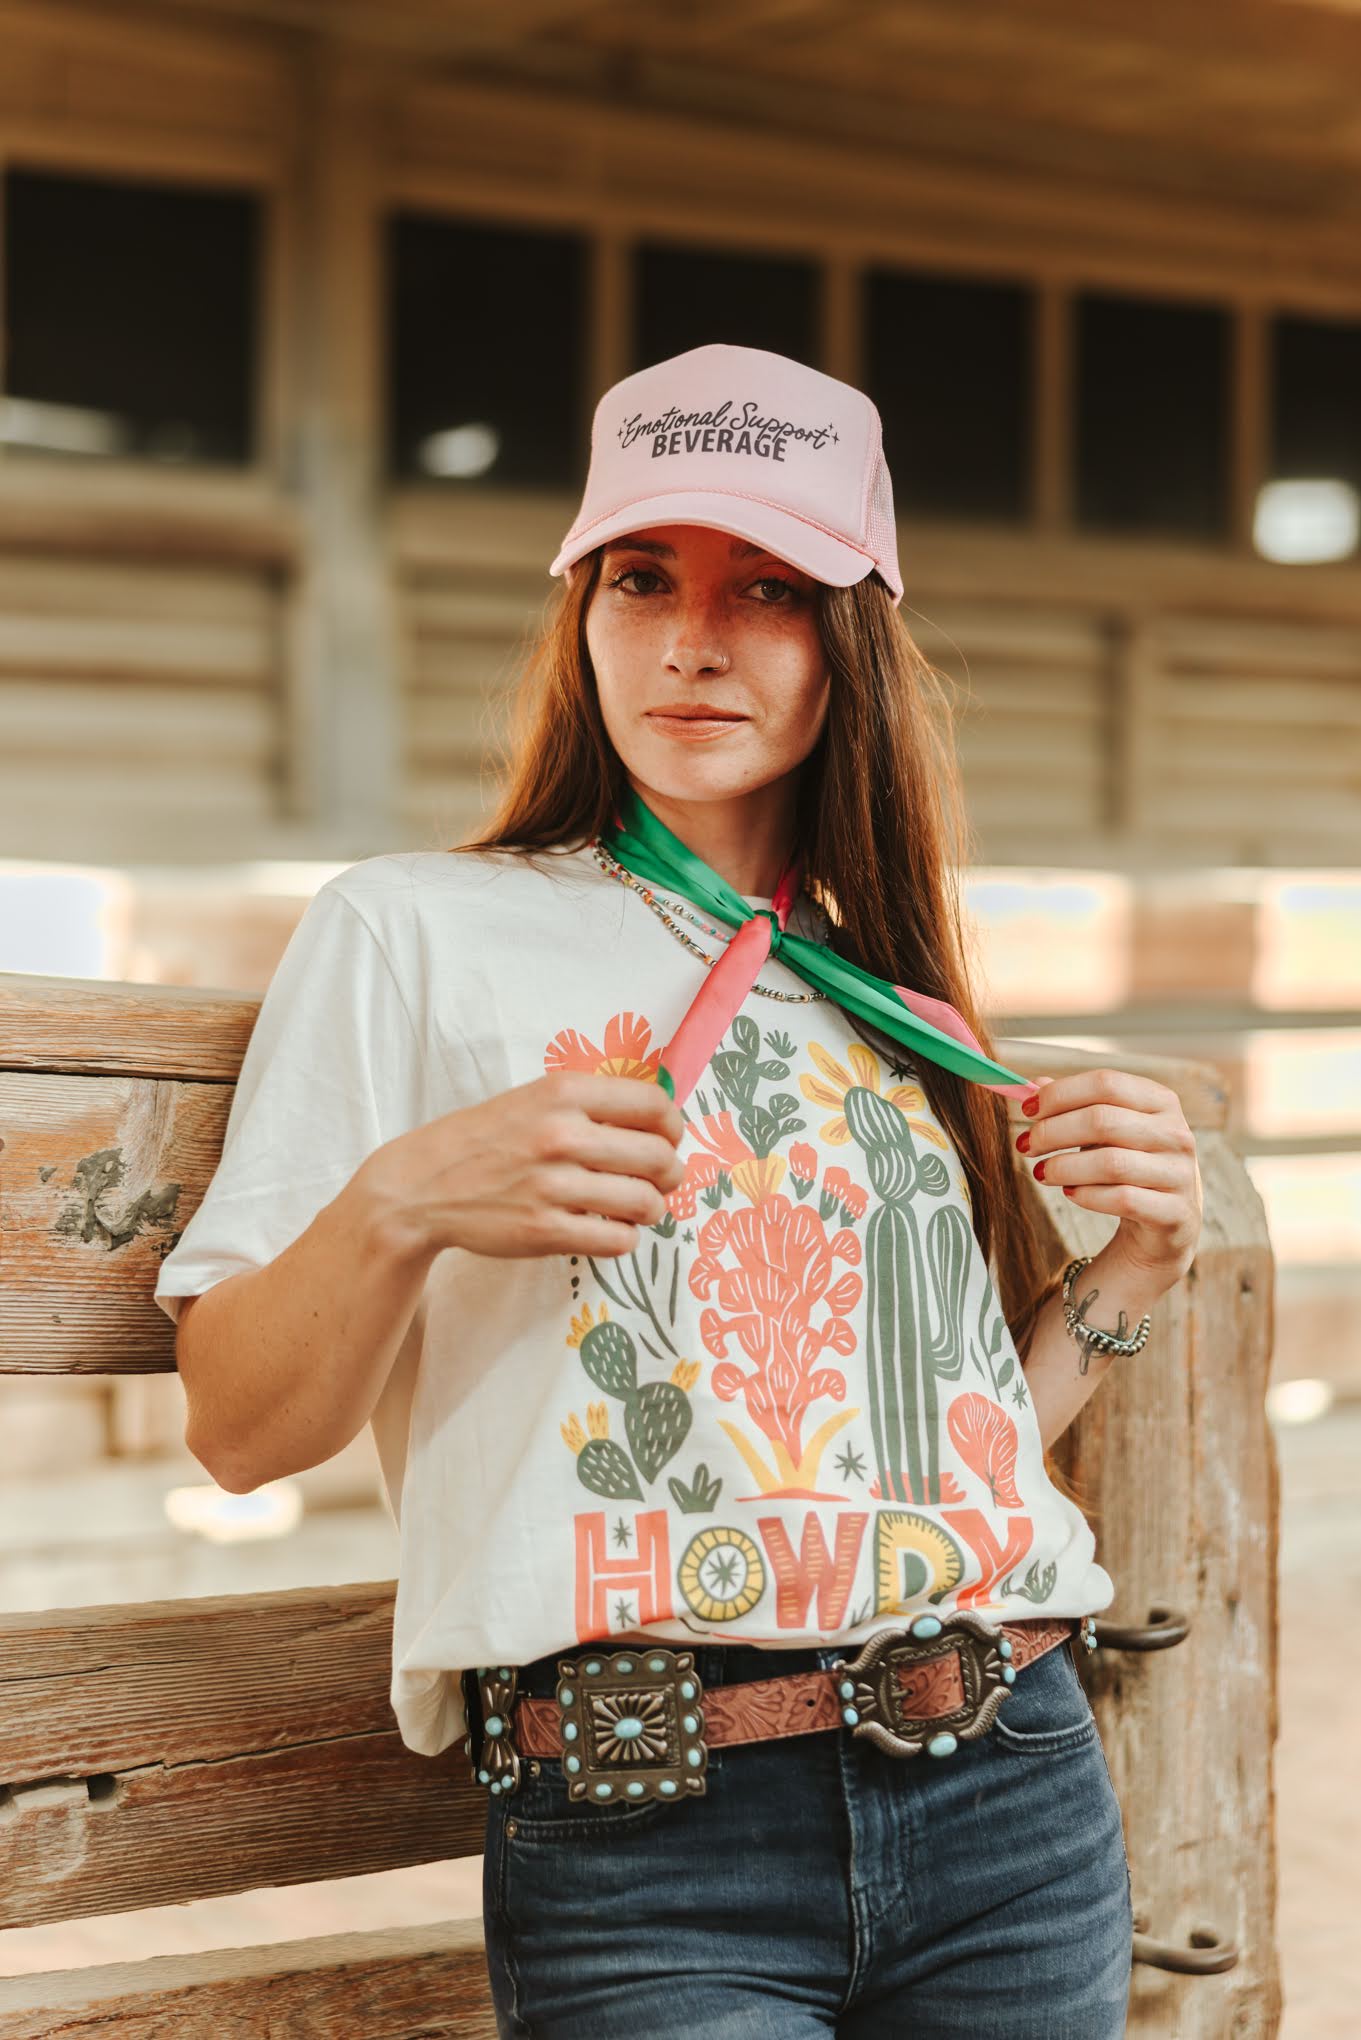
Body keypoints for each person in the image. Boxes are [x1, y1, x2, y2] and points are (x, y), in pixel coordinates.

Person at [155, 342, 1202, 2037]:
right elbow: (237, 1434)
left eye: (767, 588)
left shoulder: (882, 989)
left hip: (1008, 1781)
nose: (690, 640)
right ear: (579, 610)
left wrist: (1128, 1274)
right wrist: (402, 1202)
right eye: (640, 577)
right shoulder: (411, 930)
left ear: (851, 638)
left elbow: (944, 1458)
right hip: (648, 1831)